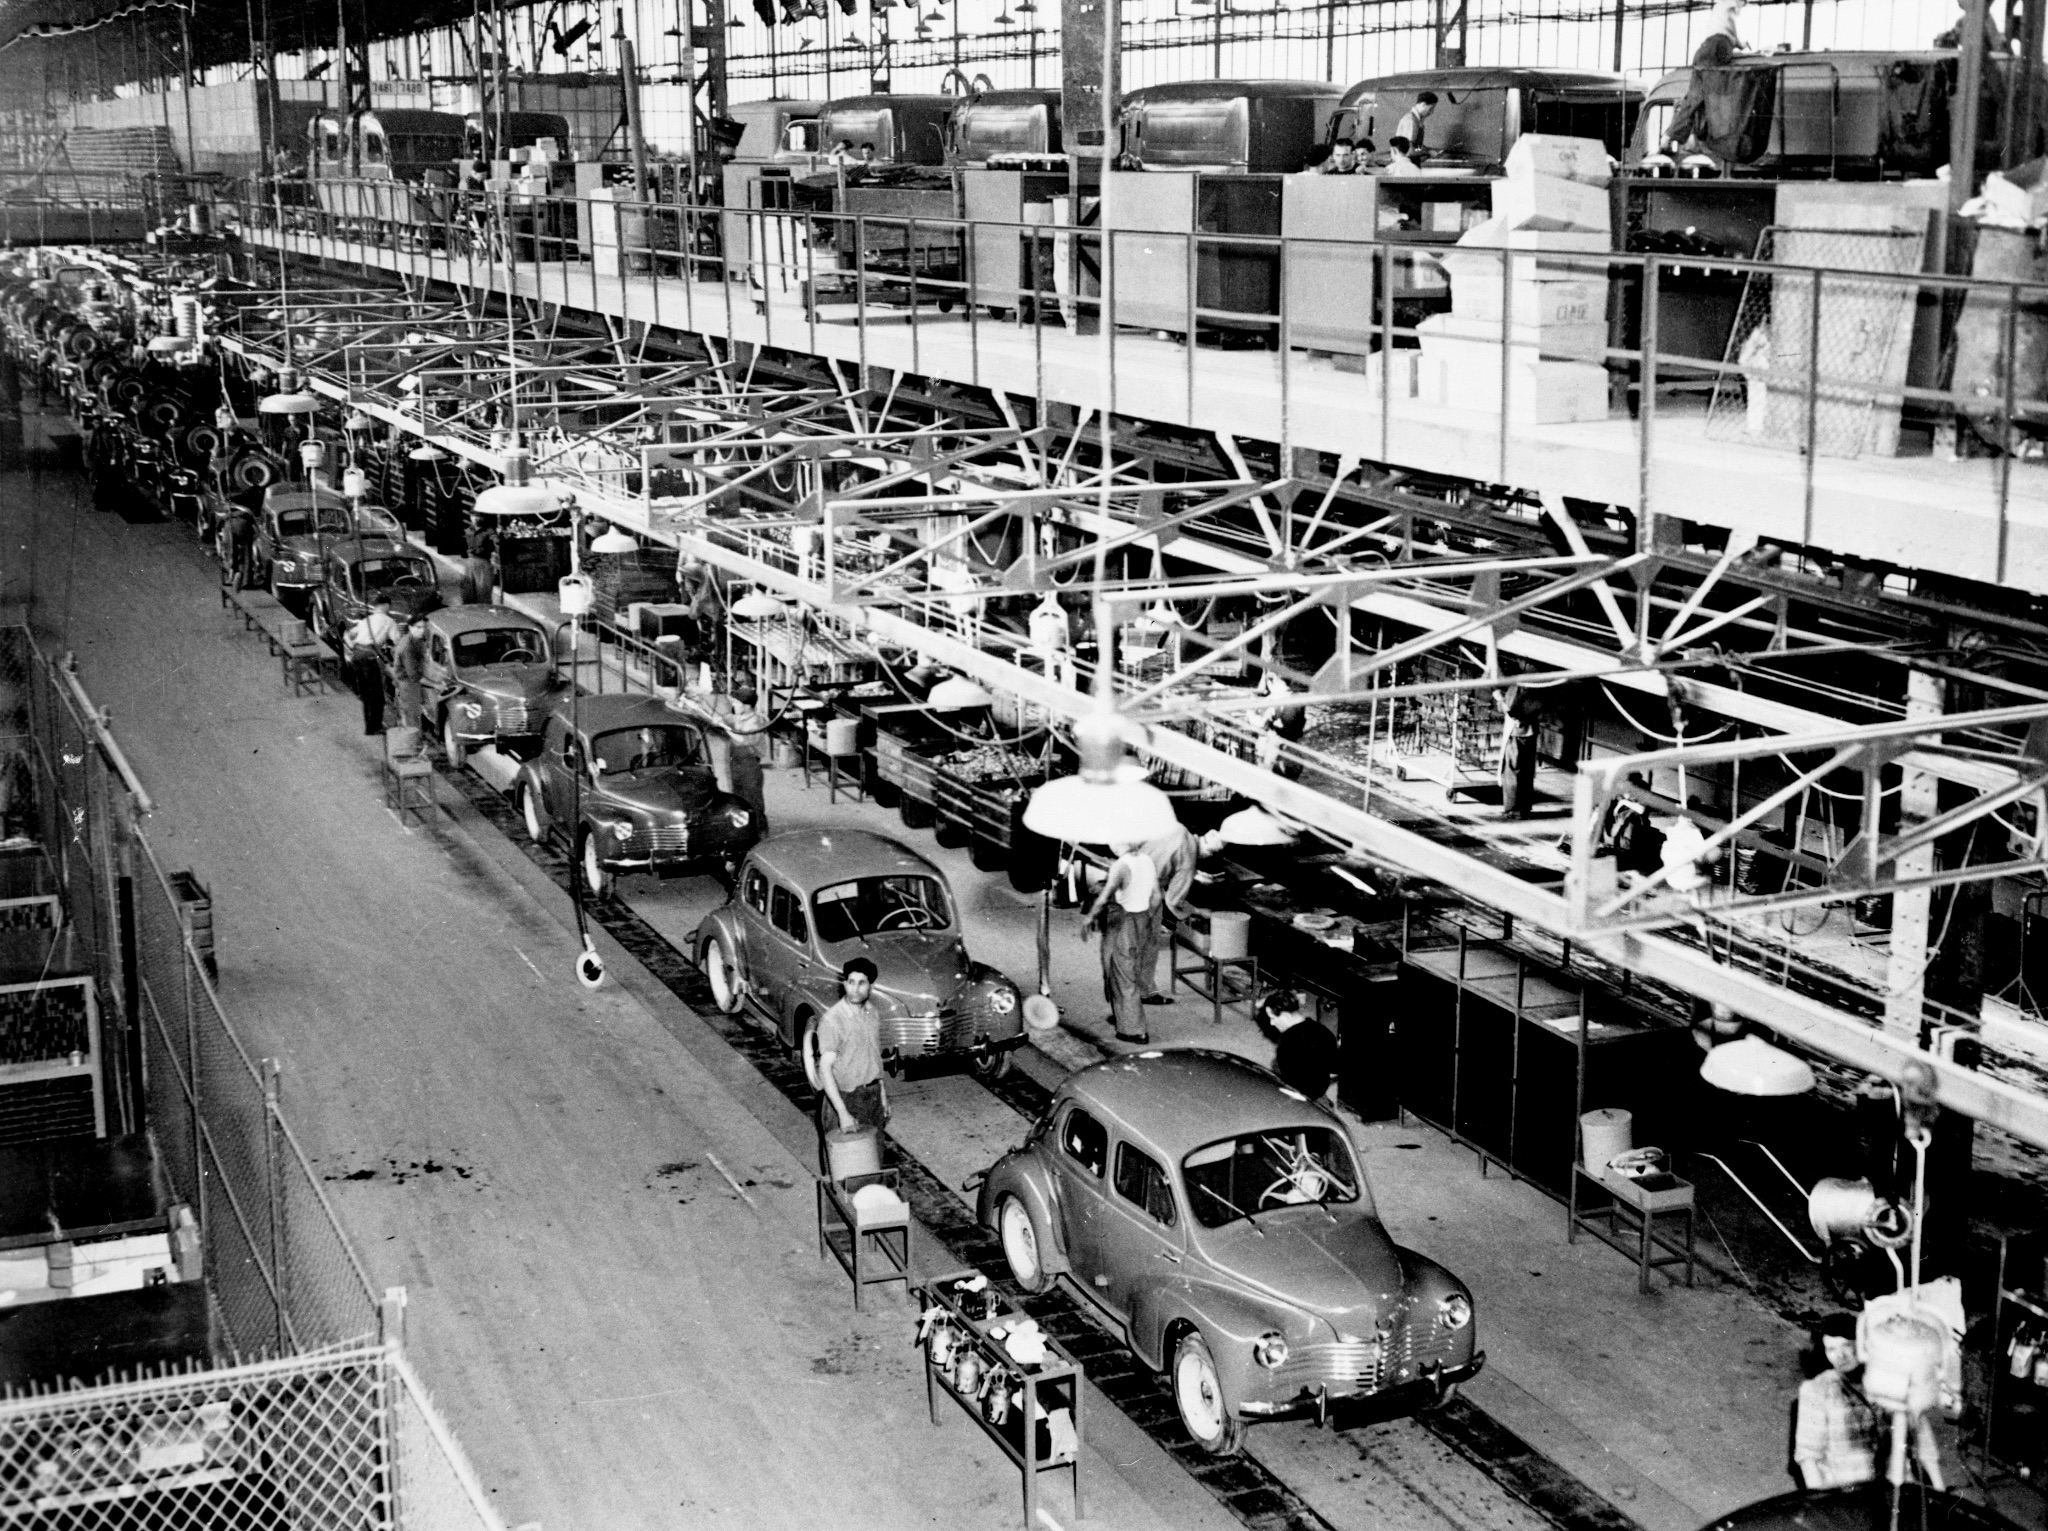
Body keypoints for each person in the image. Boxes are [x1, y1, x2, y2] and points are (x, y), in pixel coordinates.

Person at [1794, 1314, 1944, 1490]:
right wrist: (1820, 1505)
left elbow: (1924, 1444)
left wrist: (1940, 1490)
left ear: (1863, 1344)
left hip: (1897, 1489)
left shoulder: (1890, 1379)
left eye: (1847, 1346)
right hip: (1847, 1495)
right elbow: (1809, 1457)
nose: (1839, 1356)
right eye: (1831, 1349)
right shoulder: (1817, 1390)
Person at [1083, 841, 1158, 1044]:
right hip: (1142, 919)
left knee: (1121, 975)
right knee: (1127, 970)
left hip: (1123, 922)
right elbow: (1157, 896)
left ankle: (1134, 1030)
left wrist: (1089, 918)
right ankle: (1123, 1016)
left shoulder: (1121, 866)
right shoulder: (1146, 860)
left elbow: (1104, 897)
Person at [1662, 0, 1752, 161]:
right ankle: (1711, 141)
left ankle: (1671, 136)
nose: (1743, 6)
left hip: (1703, 51)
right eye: (1744, 2)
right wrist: (1743, 44)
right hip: (1717, 49)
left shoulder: (1719, 8)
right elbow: (1734, 33)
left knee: (1693, 99)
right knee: (1717, 98)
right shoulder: (1729, 6)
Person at [815, 956, 887, 1149]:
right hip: (845, 1098)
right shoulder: (833, 1021)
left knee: (874, 1161)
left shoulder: (872, 1013)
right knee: (845, 1167)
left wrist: (883, 1096)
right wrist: (842, 1113)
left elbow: (874, 1057)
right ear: (844, 983)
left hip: (872, 1096)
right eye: (851, 982)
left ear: (870, 985)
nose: (855, 989)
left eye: (861, 983)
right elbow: (825, 1069)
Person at [1139, 821, 1200, 1005]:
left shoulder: (1178, 827)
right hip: (1147, 890)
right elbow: (1173, 901)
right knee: (1147, 944)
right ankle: (1146, 992)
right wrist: (1195, 912)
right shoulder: (1189, 856)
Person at [1257, 989, 1340, 1102]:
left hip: (1302, 1098)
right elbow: (1335, 1067)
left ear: (1285, 1016)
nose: (1272, 1023)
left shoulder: (1287, 1046)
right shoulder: (1323, 1031)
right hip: (1320, 1091)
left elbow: (1290, 1085)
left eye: (1273, 1018)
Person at [342, 594, 400, 735]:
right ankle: (375, 727)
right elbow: (398, 642)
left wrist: (352, 648)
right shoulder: (389, 621)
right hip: (370, 659)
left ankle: (369, 726)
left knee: (366, 695)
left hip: (356, 656)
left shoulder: (366, 620)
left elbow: (347, 635)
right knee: (377, 695)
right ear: (386, 605)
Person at [391, 614, 428, 731]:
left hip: (408, 682)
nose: (422, 630)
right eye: (418, 627)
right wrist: (436, 684)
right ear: (411, 627)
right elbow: (414, 675)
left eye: (423, 627)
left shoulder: (415, 639)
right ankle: (413, 744)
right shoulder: (407, 646)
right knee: (412, 717)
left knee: (410, 715)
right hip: (407, 684)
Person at [1393, 92, 1437, 160]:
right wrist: (1427, 152)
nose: (1431, 112)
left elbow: (1417, 147)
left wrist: (1426, 150)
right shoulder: (1411, 121)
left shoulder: (1417, 121)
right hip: (1405, 166)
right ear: (1423, 105)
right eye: (1431, 109)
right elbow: (1410, 151)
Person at [457, 530, 497, 606]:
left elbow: (496, 541)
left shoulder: (489, 531)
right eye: (474, 517)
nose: (476, 518)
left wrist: (497, 539)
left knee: (483, 592)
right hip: (469, 562)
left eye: (478, 517)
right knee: (467, 593)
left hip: (483, 562)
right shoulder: (468, 530)